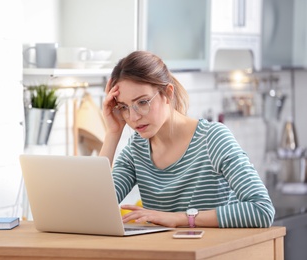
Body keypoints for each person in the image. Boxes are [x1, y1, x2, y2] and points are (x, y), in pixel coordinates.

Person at [99, 51, 275, 228]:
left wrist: (181, 219)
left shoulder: (212, 139)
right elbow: (97, 210)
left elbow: (262, 210)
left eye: (142, 102)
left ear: (167, 93)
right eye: (124, 107)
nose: (133, 117)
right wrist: (113, 132)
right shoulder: (135, 151)